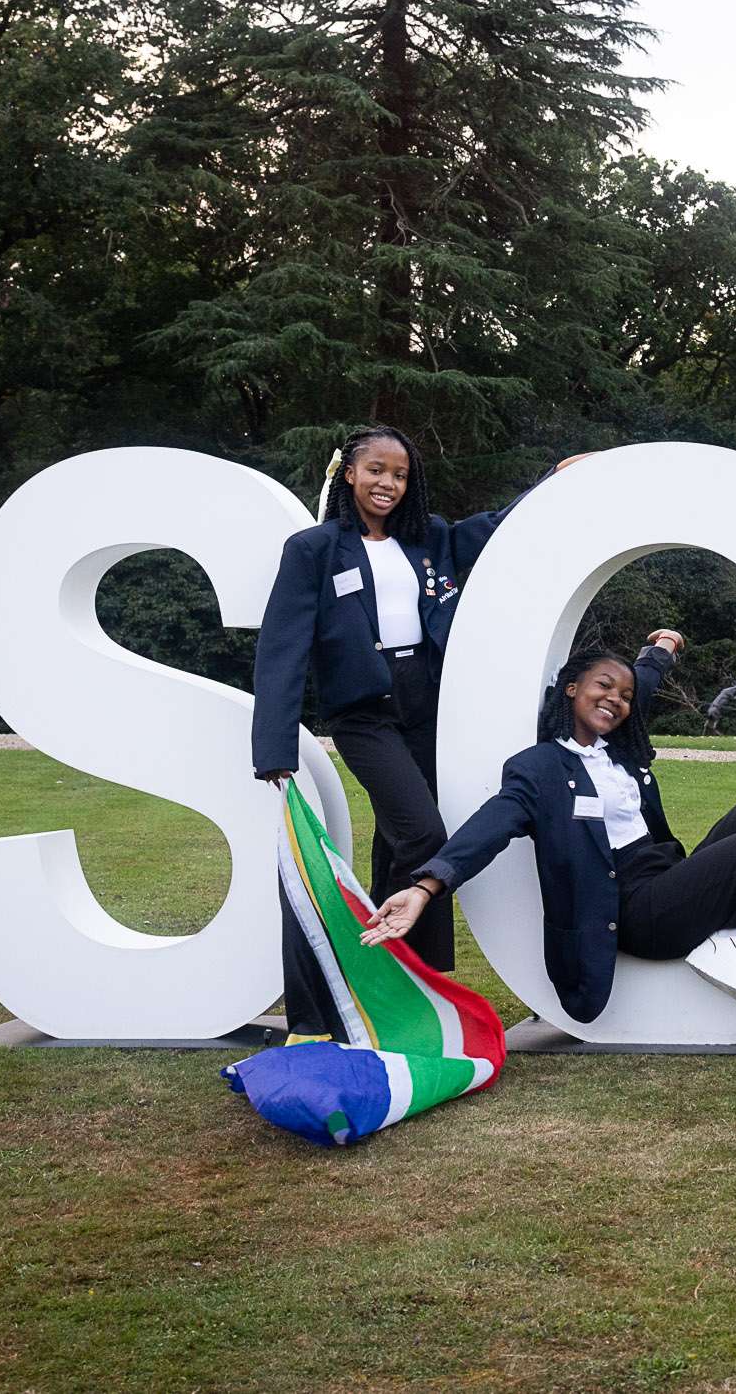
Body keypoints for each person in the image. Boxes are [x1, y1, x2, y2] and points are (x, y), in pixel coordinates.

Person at [362, 645, 736, 1066]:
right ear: (571, 689)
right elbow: (489, 827)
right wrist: (425, 888)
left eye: (626, 696)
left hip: (668, 878)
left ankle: (735, 944)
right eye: (604, 686)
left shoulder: (619, 755)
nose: (616, 699)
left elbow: (643, 681)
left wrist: (661, 649)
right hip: (632, 909)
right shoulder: (541, 769)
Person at [251, 426, 577, 1037]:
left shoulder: (430, 538)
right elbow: (282, 646)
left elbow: (499, 529)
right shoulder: (313, 549)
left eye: (400, 474)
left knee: (397, 843)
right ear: (349, 472)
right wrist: (274, 746)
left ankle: (387, 981)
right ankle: (428, 987)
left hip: (428, 707)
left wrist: (554, 483)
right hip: (363, 714)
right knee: (424, 833)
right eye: (376, 470)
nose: (388, 483)